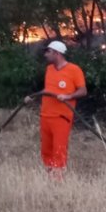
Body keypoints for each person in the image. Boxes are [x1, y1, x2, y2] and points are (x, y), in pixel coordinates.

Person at [24, 40, 87, 177]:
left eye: (48, 52)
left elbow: (83, 91)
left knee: (59, 149)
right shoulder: (49, 70)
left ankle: (58, 179)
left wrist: (68, 96)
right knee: (46, 150)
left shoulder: (74, 70)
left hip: (61, 117)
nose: (46, 55)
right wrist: (33, 97)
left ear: (57, 53)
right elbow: (48, 90)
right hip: (45, 116)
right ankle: (49, 176)